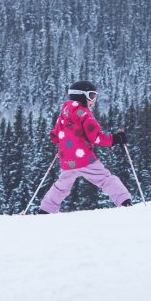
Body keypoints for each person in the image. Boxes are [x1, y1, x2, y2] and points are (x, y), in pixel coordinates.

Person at [38, 80, 133, 213]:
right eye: (92, 96)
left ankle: (45, 210)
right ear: (82, 96)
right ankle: (124, 201)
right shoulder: (85, 114)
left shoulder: (63, 113)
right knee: (105, 179)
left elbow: (55, 135)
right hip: (84, 159)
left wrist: (64, 142)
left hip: (67, 160)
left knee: (62, 186)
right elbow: (97, 137)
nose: (93, 100)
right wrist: (116, 139)